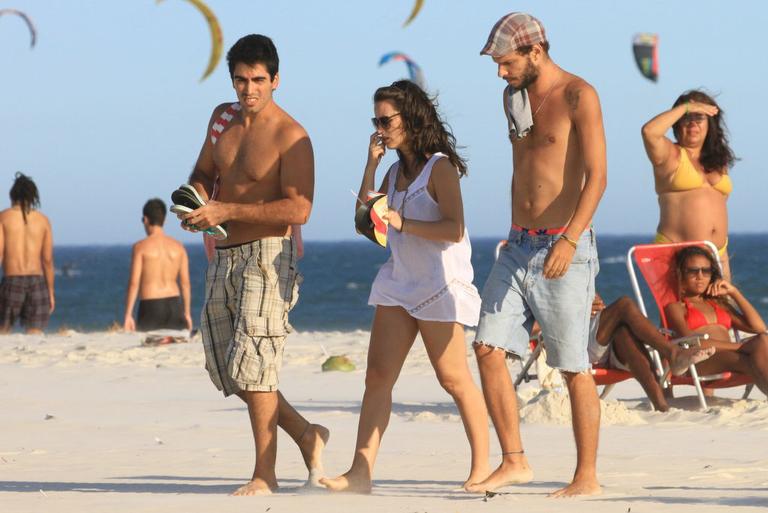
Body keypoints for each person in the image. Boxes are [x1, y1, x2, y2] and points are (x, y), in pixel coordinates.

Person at [320, 80, 489, 493]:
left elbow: (454, 228)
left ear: (410, 118)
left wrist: (403, 222)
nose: (380, 127)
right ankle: (360, 472)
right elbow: (366, 221)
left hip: (438, 284)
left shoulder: (440, 167)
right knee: (377, 376)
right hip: (400, 282)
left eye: (386, 119)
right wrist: (371, 165)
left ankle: (483, 466)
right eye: (375, 120)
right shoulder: (394, 172)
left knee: (453, 379)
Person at [179, 34, 326, 495]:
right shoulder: (222, 119)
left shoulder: (293, 136)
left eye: (258, 80)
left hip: (268, 257)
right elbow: (204, 172)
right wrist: (198, 202)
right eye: (241, 80)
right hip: (222, 254)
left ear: (276, 80)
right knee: (228, 368)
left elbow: (299, 210)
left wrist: (228, 211)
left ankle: (266, 474)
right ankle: (307, 434)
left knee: (256, 366)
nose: (249, 90)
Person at [470, 12, 606, 497]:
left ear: (535, 51)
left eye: (506, 63)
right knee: (487, 346)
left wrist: (569, 240)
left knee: (572, 365)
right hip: (518, 243)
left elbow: (598, 177)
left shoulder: (578, 95)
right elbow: (524, 168)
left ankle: (586, 477)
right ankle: (514, 460)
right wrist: (514, 231)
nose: (500, 73)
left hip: (562, 244)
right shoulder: (514, 97)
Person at [641, 90, 736, 280]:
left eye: (698, 117)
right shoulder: (670, 154)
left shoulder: (718, 161)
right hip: (676, 253)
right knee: (679, 310)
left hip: (717, 253)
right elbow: (649, 132)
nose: (692, 123)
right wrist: (686, 107)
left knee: (723, 309)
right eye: (687, 117)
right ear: (677, 124)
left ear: (709, 124)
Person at [664, 246, 768, 396]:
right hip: (700, 360)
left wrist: (734, 292)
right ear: (681, 274)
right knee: (752, 358)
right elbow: (689, 342)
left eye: (706, 271)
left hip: (730, 356)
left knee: (762, 339)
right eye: (693, 271)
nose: (700, 276)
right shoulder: (676, 307)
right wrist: (740, 347)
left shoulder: (718, 304)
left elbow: (758, 328)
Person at [587, 293, 714, 412]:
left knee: (624, 332)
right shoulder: (567, 272)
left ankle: (662, 407)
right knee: (624, 304)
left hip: (600, 343)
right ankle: (673, 353)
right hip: (578, 346)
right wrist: (582, 306)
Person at [123, 199, 192, 332]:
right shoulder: (179, 247)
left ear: (145, 220)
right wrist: (187, 313)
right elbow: (185, 283)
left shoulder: (140, 248)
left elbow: (134, 283)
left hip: (150, 306)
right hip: (174, 306)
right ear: (164, 221)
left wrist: (128, 315)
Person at [0, 173, 54, 334]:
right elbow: (47, 260)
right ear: (33, 196)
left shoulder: (3, 218)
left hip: (12, 281)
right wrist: (50, 291)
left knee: (2, 331)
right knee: (35, 334)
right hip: (37, 282)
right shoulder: (43, 220)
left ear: (12, 195)